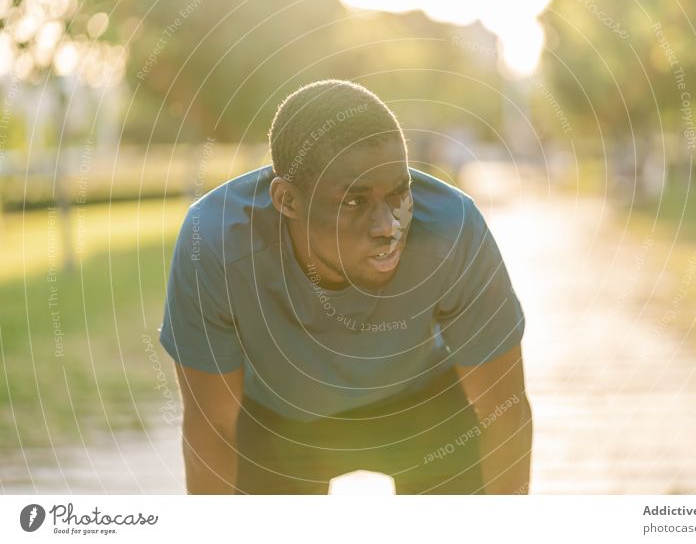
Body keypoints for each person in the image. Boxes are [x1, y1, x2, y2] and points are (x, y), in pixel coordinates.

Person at [159, 79, 532, 495]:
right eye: (355, 202)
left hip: (423, 406)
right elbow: (212, 425)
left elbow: (504, 411)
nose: (388, 226)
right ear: (287, 201)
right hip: (280, 418)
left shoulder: (452, 229)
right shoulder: (213, 243)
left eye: (398, 192)